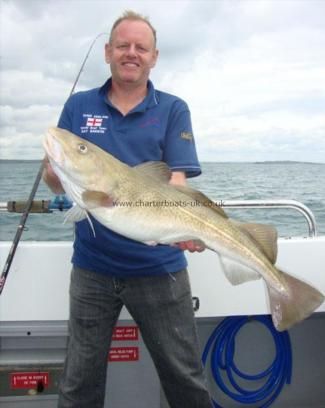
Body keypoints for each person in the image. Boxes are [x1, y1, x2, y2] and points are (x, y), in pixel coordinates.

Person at [43, 10, 213, 408]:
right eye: (123, 45)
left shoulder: (173, 109)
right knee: (78, 383)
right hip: (92, 268)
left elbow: (176, 182)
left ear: (154, 57)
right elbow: (60, 182)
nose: (131, 53)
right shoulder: (78, 105)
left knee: (185, 377)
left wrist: (184, 227)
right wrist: (57, 172)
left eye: (141, 47)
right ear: (107, 52)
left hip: (159, 270)